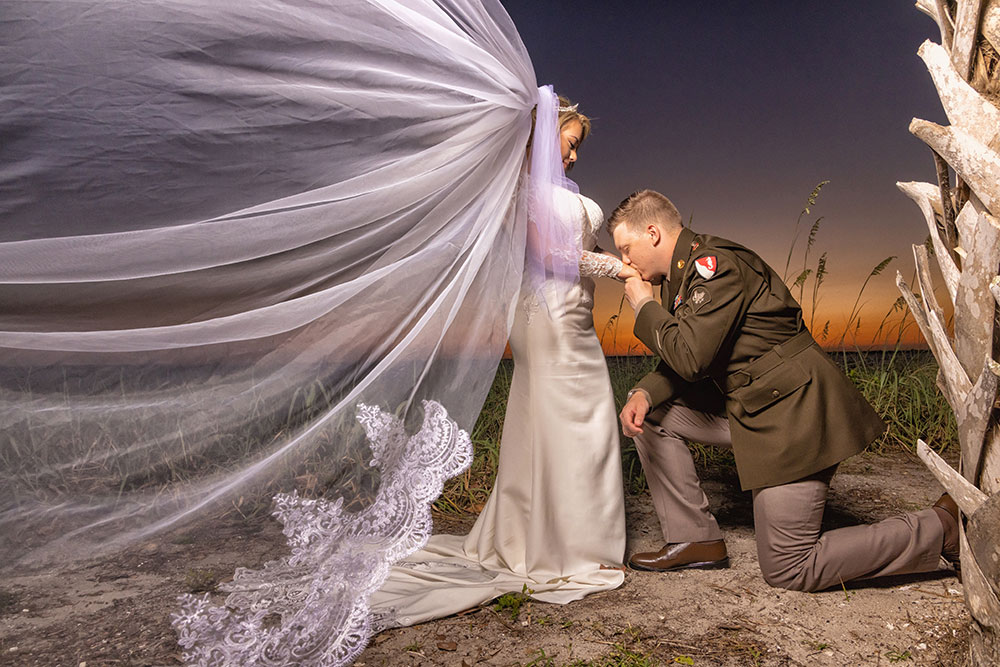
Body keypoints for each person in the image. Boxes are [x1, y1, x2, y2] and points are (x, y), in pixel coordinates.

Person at [368, 95, 635, 629]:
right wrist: (621, 271)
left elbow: (583, 245)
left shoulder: (567, 195)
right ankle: (570, 546)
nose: (576, 155)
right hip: (545, 315)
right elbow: (551, 256)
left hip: (574, 314)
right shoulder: (525, 191)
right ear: (547, 134)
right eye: (572, 142)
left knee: (572, 424)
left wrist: (627, 260)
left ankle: (570, 536)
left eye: (579, 146)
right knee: (576, 421)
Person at [608, 189, 959, 592]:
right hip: (753, 406)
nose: (625, 262)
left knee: (789, 568)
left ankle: (941, 528)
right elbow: (683, 357)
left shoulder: (715, 266)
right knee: (649, 415)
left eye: (627, 248)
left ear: (652, 233)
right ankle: (695, 540)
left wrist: (642, 305)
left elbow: (690, 358)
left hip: (794, 413)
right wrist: (645, 392)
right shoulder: (680, 278)